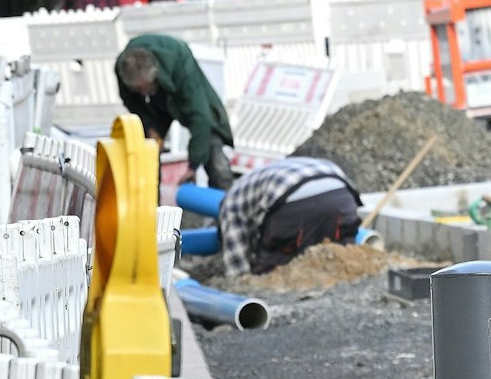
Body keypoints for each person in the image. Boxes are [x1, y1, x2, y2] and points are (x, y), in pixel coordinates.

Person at [116, 34, 237, 187]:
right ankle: (151, 201)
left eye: (143, 88)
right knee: (148, 149)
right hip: (152, 107)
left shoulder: (182, 67)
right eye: (137, 90)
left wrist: (193, 166)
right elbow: (131, 102)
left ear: (154, 77)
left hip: (180, 82)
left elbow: (200, 118)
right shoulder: (123, 70)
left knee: (211, 139)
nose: (141, 93)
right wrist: (150, 127)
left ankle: (226, 196)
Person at [217, 157, 362, 278]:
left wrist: (242, 278)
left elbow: (236, 256)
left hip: (294, 201)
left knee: (276, 265)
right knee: (339, 252)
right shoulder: (259, 179)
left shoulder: (230, 204)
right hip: (341, 195)